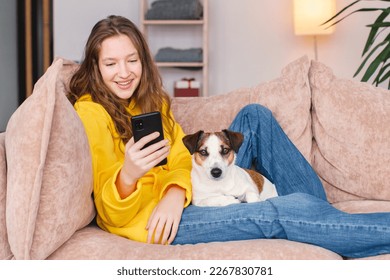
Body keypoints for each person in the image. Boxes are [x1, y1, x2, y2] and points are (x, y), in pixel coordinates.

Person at [67, 15, 390, 258]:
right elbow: (110, 212)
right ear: (95, 67)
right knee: (279, 211)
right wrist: (129, 175)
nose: (124, 73)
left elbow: (181, 156)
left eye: (131, 60)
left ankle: (321, 222)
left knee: (255, 116)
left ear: (143, 61)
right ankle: (320, 223)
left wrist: (176, 192)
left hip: (184, 197)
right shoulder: (91, 113)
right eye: (110, 63)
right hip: (157, 221)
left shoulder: (150, 101)